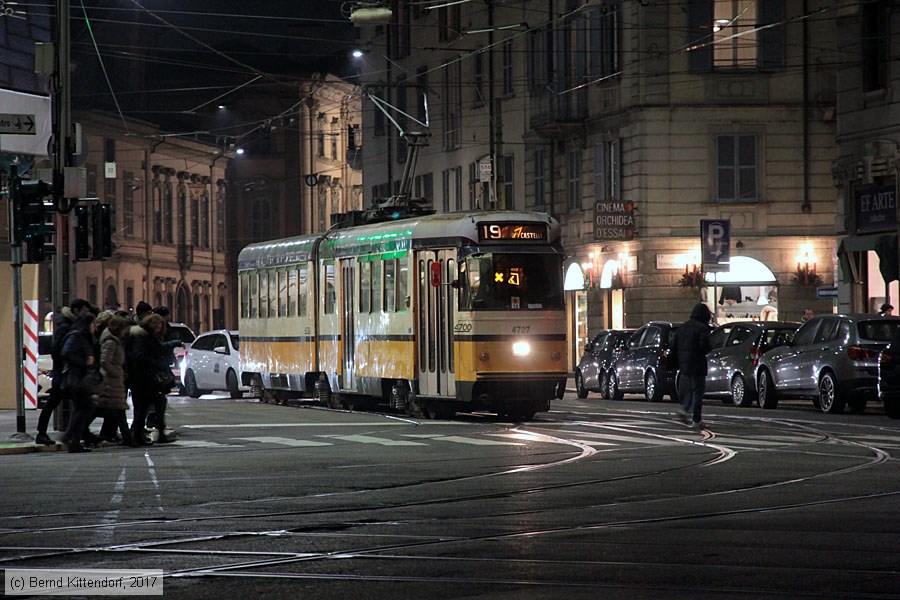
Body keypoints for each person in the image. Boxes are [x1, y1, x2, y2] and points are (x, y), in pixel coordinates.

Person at [35, 299, 94, 446]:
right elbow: (59, 351)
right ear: (76, 310)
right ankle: (43, 433)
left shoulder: (71, 326)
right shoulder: (66, 327)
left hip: (66, 373)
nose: (86, 314)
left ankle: (79, 434)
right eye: (84, 310)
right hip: (63, 373)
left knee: (80, 405)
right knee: (55, 403)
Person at [128, 313, 176, 445]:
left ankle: (152, 434)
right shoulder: (143, 338)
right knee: (142, 408)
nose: (159, 329)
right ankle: (137, 435)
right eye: (157, 326)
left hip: (149, 379)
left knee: (155, 405)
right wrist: (158, 363)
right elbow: (140, 357)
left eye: (161, 326)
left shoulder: (149, 338)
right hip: (142, 379)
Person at [94, 316, 138, 447]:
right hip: (110, 381)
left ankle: (126, 438)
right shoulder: (111, 342)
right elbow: (104, 361)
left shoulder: (114, 340)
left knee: (116, 410)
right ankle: (127, 439)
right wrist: (116, 372)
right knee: (113, 409)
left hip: (114, 381)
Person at [59, 313, 99, 453]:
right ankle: (70, 436)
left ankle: (72, 439)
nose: (95, 327)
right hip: (75, 378)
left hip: (79, 378)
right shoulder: (76, 336)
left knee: (81, 408)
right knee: (86, 407)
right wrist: (84, 363)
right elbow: (66, 353)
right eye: (93, 324)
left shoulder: (83, 337)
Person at [675, 303, 712, 430]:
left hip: (684, 363)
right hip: (697, 363)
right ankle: (696, 419)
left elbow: (675, 344)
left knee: (691, 389)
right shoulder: (703, 328)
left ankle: (685, 409)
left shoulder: (683, 327)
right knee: (698, 391)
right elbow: (704, 346)